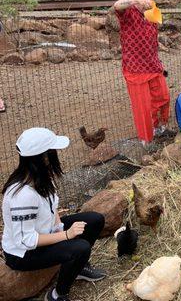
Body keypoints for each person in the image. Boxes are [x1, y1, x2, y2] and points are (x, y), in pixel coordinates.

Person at [2, 128, 106, 301]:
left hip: (46, 232)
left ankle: (78, 269)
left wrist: (59, 228)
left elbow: (52, 207)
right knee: (80, 248)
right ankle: (58, 294)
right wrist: (66, 235)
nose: (56, 155)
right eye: (52, 152)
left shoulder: (41, 177)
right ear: (43, 157)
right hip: (23, 253)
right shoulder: (22, 195)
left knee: (95, 220)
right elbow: (26, 241)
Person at [114, 0, 170, 149]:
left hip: (153, 64)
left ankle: (159, 125)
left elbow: (152, 36)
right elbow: (117, 5)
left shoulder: (152, 14)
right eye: (146, 1)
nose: (149, 4)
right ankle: (146, 138)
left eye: (151, 1)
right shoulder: (128, 13)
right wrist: (135, 0)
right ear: (138, 0)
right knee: (142, 106)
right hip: (135, 67)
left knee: (163, 97)